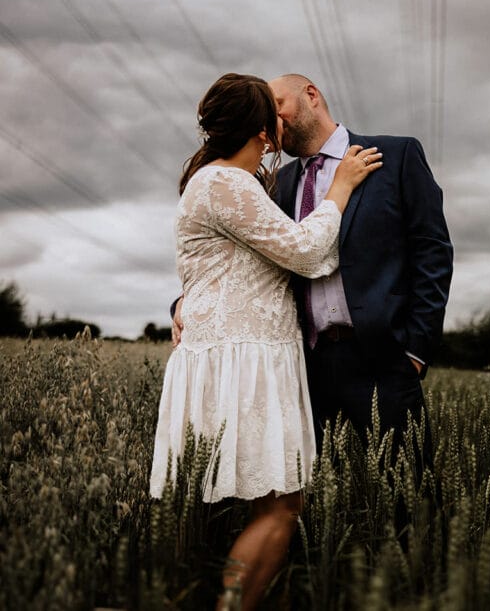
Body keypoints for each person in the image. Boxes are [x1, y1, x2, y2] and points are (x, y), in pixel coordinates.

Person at [150, 73, 382, 611]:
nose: (284, 119)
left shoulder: (219, 181)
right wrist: (341, 187)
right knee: (282, 504)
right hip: (245, 354)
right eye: (274, 112)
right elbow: (304, 252)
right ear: (261, 127)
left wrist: (184, 304)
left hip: (240, 350)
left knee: (268, 502)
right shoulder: (227, 183)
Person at [174, 74, 454, 469]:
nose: (272, 118)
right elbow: (240, 255)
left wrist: (415, 350)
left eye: (277, 104)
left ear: (311, 95)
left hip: (384, 357)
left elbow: (432, 252)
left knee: (410, 498)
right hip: (305, 366)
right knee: (317, 500)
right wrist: (185, 300)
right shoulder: (272, 184)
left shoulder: (395, 155)